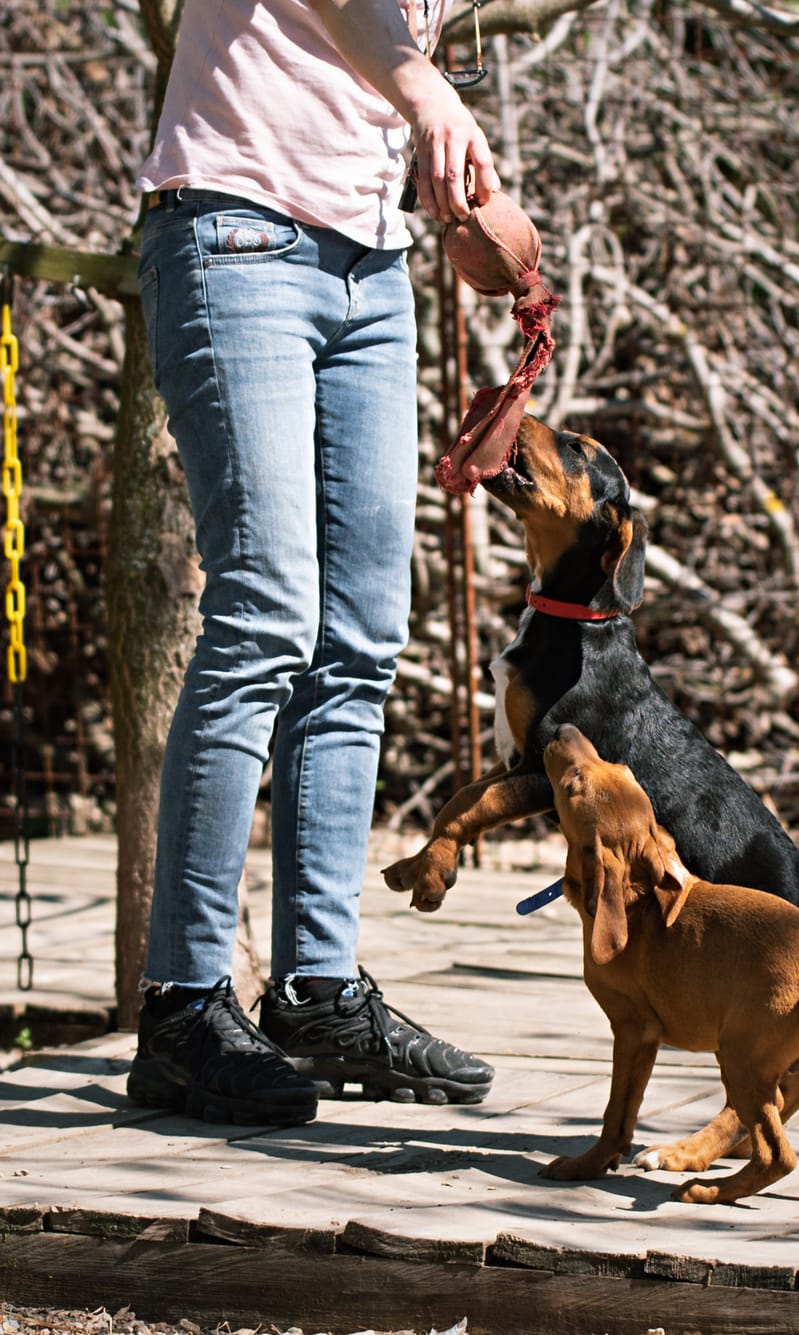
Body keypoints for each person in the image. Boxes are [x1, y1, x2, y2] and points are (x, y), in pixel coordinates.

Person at [125, 0, 503, 1125]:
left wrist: (463, 179)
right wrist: (427, 93)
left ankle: (317, 991)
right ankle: (182, 1011)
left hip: (370, 262)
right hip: (235, 230)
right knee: (264, 615)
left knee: (360, 639)